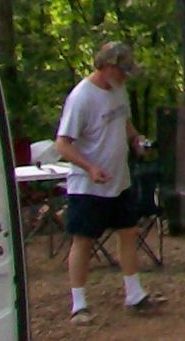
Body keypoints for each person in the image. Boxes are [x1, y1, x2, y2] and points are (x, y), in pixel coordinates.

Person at [53, 41, 164, 324]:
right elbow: (63, 144)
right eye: (123, 70)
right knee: (83, 241)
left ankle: (134, 294)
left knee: (128, 232)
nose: (126, 76)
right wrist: (90, 167)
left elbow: (124, 122)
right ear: (108, 66)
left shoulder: (118, 90)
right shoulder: (82, 97)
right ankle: (79, 305)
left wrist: (136, 140)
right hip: (89, 185)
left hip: (119, 181)